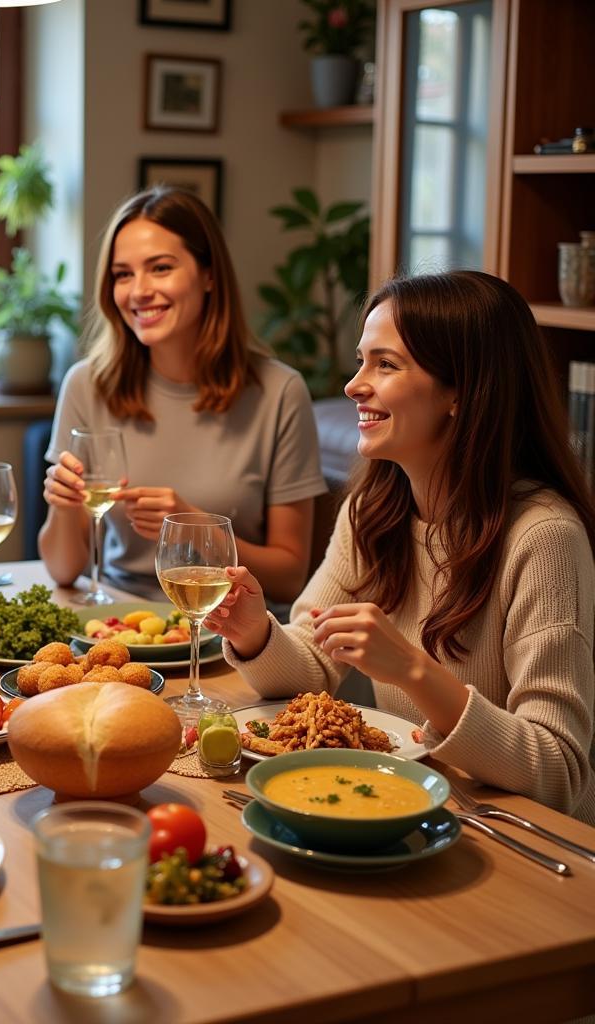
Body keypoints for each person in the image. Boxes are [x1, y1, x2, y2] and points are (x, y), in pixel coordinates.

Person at [206, 270, 595, 823]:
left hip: (529, 839)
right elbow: (312, 664)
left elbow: (559, 772)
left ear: (461, 389)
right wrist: (255, 633)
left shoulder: (544, 538)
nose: (353, 384)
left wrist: (414, 672)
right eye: (362, 360)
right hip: (416, 806)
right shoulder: (374, 510)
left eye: (385, 365)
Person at [40, 186, 327, 604]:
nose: (138, 290)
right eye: (123, 274)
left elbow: (289, 577)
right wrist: (64, 505)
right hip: (120, 623)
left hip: (227, 631)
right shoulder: (86, 385)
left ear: (209, 274)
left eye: (160, 268)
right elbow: (63, 569)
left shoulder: (280, 392)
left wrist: (196, 527)